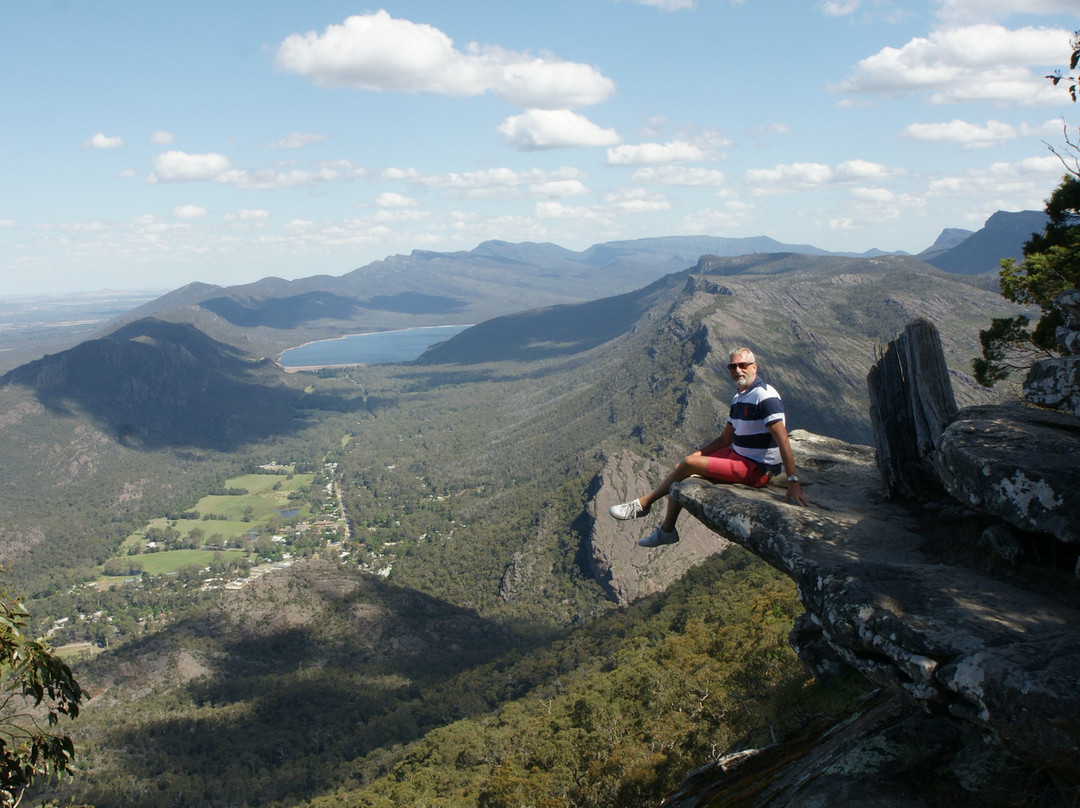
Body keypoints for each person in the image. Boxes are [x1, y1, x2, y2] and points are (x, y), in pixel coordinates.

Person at [609, 346, 810, 547]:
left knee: (688, 465)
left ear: (754, 367)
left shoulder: (764, 396)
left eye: (743, 365)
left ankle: (643, 504)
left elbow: (783, 439)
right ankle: (667, 531)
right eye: (733, 367)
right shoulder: (740, 397)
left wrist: (793, 480)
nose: (738, 370)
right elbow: (725, 438)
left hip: (756, 469)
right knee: (683, 468)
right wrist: (695, 456)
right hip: (737, 455)